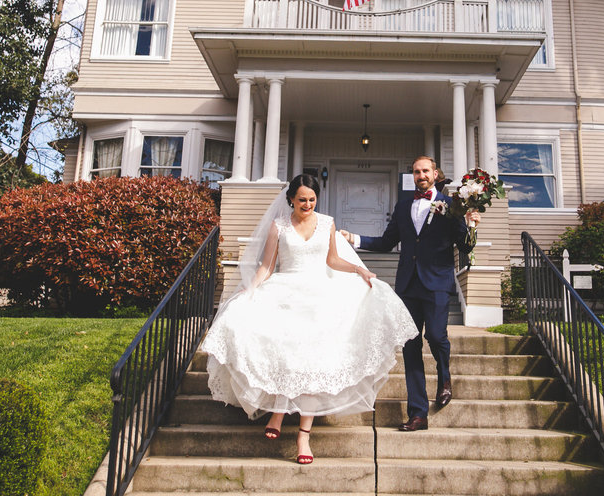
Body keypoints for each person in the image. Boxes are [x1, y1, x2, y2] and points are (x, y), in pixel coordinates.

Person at [200, 173, 417, 465]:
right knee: (288, 354)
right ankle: (278, 411)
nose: (307, 204)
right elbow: (267, 266)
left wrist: (358, 270)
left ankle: (304, 435)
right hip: (286, 290)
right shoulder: (278, 227)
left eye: (312, 199)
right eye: (302, 199)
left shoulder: (326, 223)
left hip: (319, 295)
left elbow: (332, 260)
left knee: (315, 358)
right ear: (291, 199)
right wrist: (249, 289)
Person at [341, 155, 476, 432]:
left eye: (425, 170)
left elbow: (464, 246)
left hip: (437, 282)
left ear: (435, 173)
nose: (421, 175)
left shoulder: (452, 205)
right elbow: (386, 242)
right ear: (412, 176)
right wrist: (354, 238)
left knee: (436, 336)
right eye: (416, 171)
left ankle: (445, 375)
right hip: (408, 285)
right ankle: (418, 414)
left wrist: (471, 224)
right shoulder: (403, 207)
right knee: (411, 346)